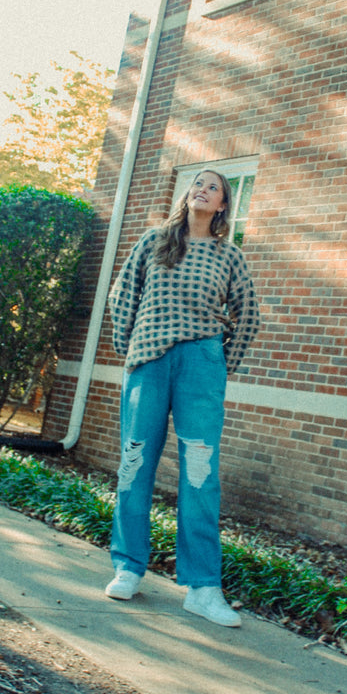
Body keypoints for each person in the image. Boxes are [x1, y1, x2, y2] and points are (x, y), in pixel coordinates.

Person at [105, 169, 260, 627]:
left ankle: (203, 587)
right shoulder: (155, 241)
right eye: (198, 183)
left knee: (199, 472)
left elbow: (248, 313)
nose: (203, 190)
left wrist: (219, 364)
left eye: (214, 188)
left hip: (201, 366)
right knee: (134, 464)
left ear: (222, 206)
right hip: (149, 363)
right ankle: (128, 567)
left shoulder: (228, 255)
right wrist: (128, 346)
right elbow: (122, 295)